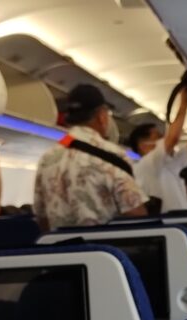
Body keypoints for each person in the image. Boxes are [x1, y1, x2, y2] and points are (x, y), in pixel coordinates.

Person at [33, 84, 147, 231]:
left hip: (61, 245)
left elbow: (42, 218)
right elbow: (136, 213)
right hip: (105, 244)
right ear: (102, 116)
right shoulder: (113, 155)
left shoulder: (46, 158)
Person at [128, 88, 187, 213]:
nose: (163, 140)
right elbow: (172, 139)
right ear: (142, 144)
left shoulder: (168, 164)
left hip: (182, 217)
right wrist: (184, 103)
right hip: (167, 221)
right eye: (158, 137)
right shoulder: (146, 165)